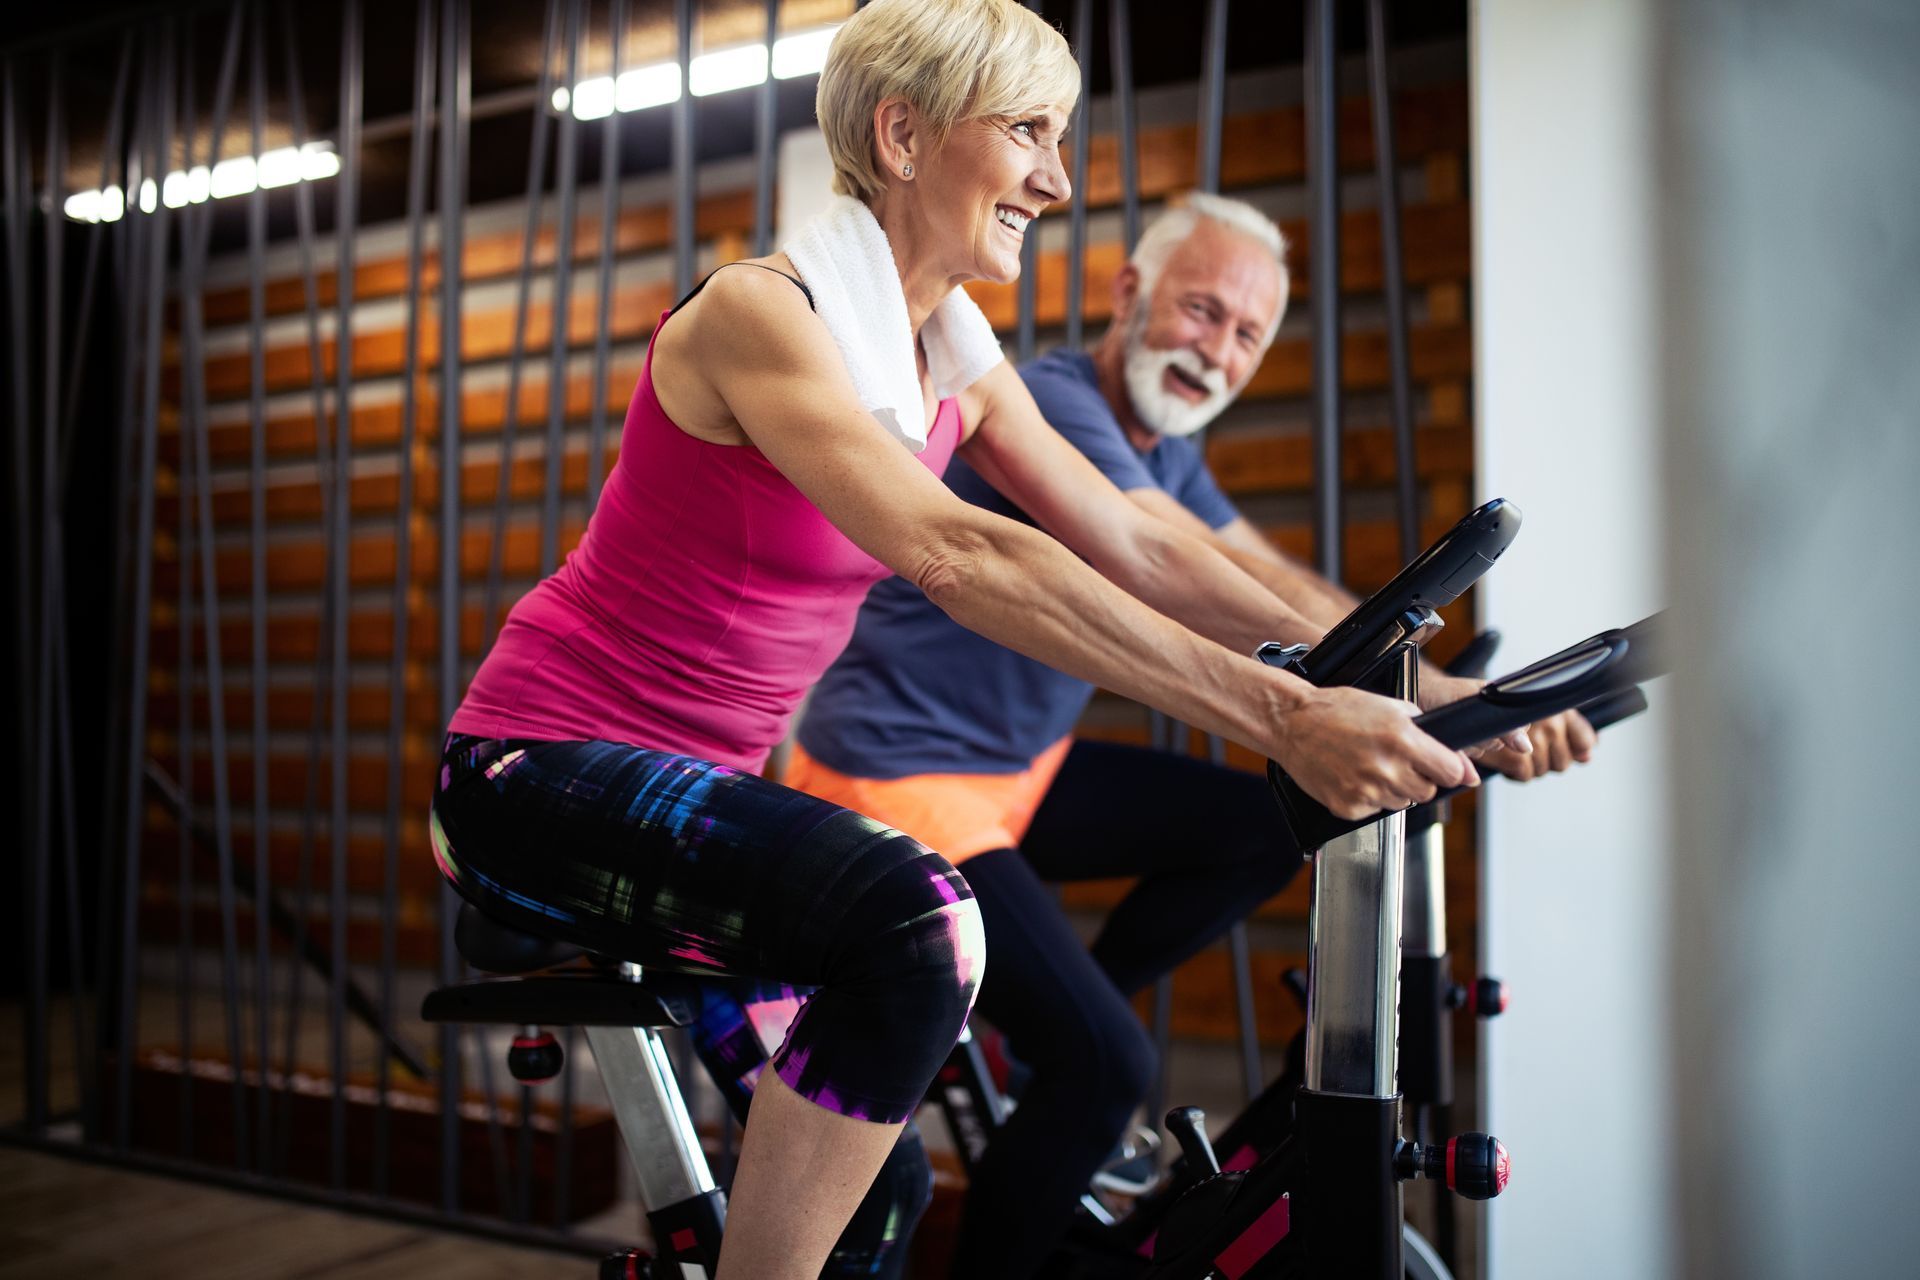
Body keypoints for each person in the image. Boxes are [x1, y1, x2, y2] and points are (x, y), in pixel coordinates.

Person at [427, 3, 1484, 1276]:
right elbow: (960, 550)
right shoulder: (763, 316)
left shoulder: (949, 354)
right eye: (1029, 130)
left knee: (882, 1192)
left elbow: (1140, 545)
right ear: (904, 133)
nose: (1055, 175)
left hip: (704, 793)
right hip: (527, 770)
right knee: (924, 925)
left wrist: (1417, 674)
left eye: (1062, 136)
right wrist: (1284, 717)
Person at [776, 193, 1598, 1275]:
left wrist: (1414, 661)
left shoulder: (1163, 445)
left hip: (1022, 770)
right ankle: (1050, 1094)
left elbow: (1263, 567)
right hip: (896, 779)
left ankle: (1048, 1035)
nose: (1218, 351)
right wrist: (1432, 692)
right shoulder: (1063, 401)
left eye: (1247, 334)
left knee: (1272, 817)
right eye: (1201, 311)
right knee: (1105, 1069)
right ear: (1131, 294)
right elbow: (1164, 554)